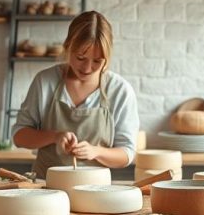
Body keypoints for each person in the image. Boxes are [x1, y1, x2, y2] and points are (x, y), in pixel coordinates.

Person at [13, 11, 139, 179]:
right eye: (80, 57)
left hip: (95, 190)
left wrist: (95, 152)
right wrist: (55, 136)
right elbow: (19, 136)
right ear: (67, 47)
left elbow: (127, 154)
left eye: (97, 61)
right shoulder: (45, 82)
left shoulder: (120, 91)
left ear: (107, 58)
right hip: (45, 187)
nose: (87, 68)